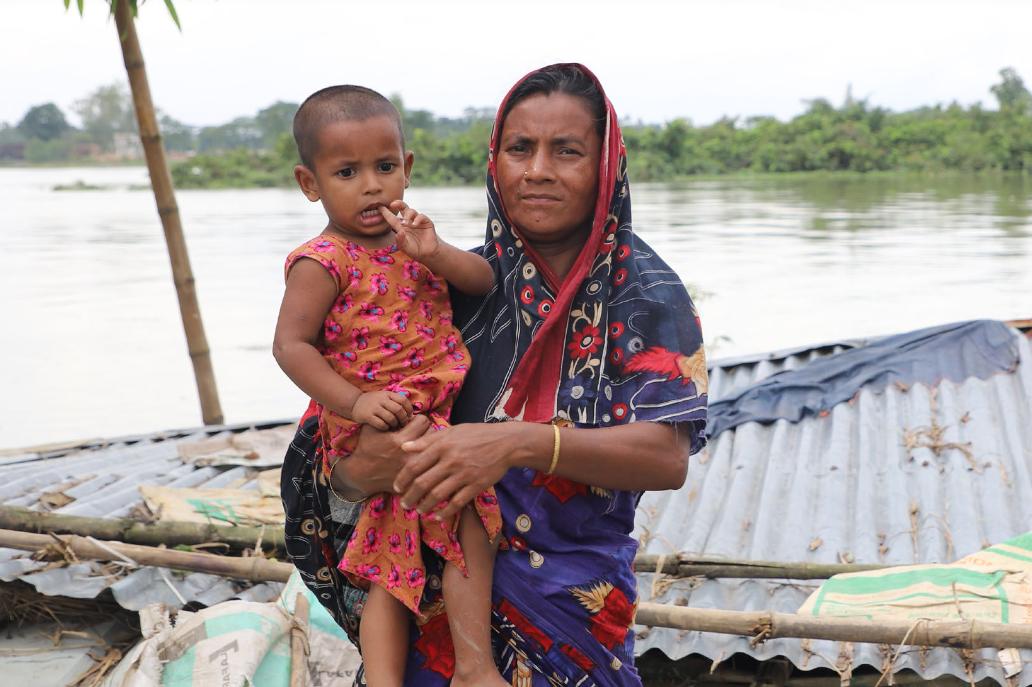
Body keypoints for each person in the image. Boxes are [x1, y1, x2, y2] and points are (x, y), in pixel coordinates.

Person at [281, 64, 708, 686]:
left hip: (570, 615)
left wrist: (513, 442)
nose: (537, 169)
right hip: (424, 629)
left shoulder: (645, 294)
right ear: (495, 161)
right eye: (519, 148)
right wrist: (360, 470)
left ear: (606, 165)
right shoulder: (444, 281)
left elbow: (665, 459)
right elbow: (328, 457)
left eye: (567, 151)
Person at [273, 85, 506, 687]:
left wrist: (437, 253)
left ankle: (472, 668)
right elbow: (290, 347)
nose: (372, 186)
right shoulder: (320, 261)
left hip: (429, 416)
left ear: (406, 169)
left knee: (418, 549)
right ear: (310, 183)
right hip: (370, 422)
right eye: (346, 172)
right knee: (411, 555)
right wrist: (355, 403)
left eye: (384, 167)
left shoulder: (416, 243)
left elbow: (482, 282)